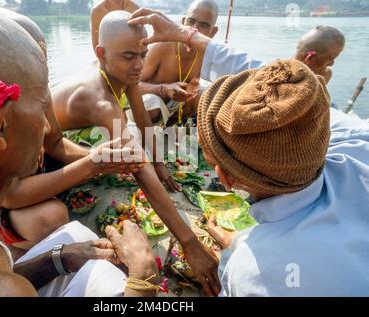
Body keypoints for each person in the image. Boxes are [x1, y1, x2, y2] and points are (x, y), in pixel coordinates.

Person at [0, 0, 157, 297]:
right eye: (42, 106)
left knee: (79, 236)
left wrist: (58, 259)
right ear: (0, 128)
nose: (46, 127)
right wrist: (143, 280)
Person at [131, 9, 369, 296]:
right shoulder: (357, 146)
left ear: (227, 181)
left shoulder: (254, 273)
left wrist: (235, 248)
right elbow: (269, 75)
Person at [52, 11, 221, 296]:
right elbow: (138, 167)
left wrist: (160, 164)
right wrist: (190, 244)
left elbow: (143, 121)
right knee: (131, 163)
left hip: (90, 140)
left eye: (143, 54)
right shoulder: (100, 100)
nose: (139, 64)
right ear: (101, 54)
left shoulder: (125, 73)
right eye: (129, 56)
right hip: (56, 152)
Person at [0, 8, 144, 257]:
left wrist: (96, 158)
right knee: (52, 217)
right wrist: (91, 165)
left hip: (37, 174)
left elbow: (56, 143)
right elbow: (10, 195)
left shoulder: (41, 91)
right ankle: (11, 249)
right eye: (31, 62)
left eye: (43, 60)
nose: (41, 70)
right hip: (5, 201)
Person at [139, 0, 220, 126]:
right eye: (191, 21)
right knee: (152, 103)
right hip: (149, 105)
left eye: (203, 25)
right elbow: (130, 85)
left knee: (207, 96)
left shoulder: (208, 55)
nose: (194, 30)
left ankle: (171, 131)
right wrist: (164, 89)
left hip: (175, 110)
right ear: (183, 22)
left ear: (213, 32)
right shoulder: (161, 47)